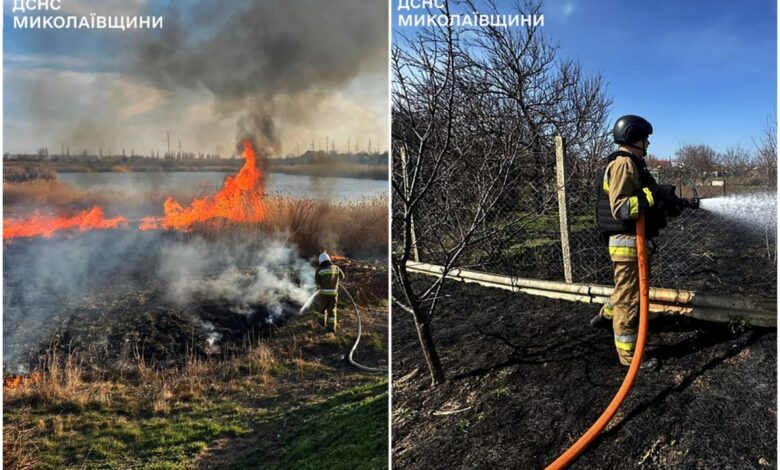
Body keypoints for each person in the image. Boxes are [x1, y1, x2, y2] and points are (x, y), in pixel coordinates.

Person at [592, 115, 689, 371]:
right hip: (627, 244)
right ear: (635, 136)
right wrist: (653, 194)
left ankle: (606, 317)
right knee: (629, 299)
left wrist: (667, 202)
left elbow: (644, 200)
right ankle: (630, 356)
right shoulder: (624, 164)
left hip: (634, 243)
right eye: (645, 138)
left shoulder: (634, 164)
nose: (648, 143)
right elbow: (622, 208)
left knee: (625, 290)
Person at [315, 250, 345, 333]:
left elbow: (317, 281)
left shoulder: (319, 270)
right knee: (332, 310)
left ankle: (321, 324)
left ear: (321, 261)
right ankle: (331, 327)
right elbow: (342, 277)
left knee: (322, 310)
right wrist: (335, 280)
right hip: (334, 293)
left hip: (324, 294)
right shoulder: (336, 268)